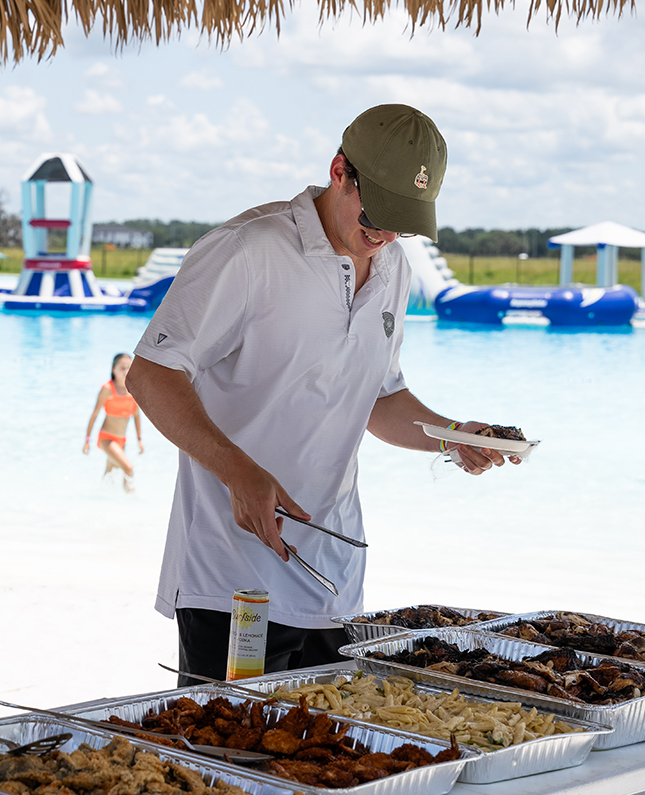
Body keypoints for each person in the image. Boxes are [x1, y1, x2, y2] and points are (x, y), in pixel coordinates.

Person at [126, 104, 520, 683]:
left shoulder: (393, 268)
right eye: (379, 212)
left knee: (325, 765)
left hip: (335, 580)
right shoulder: (246, 250)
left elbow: (379, 400)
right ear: (340, 171)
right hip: (232, 582)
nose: (384, 235)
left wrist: (453, 437)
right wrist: (238, 470)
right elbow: (151, 374)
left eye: (402, 223)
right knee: (227, 763)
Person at [83, 353, 144, 492]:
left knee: (109, 475)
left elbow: (136, 416)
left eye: (129, 368)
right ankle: (132, 502)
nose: (126, 371)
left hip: (122, 440)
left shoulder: (134, 390)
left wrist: (139, 440)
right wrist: (87, 440)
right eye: (122, 368)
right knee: (128, 469)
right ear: (113, 369)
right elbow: (95, 415)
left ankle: (102, 503)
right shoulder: (107, 389)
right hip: (107, 438)